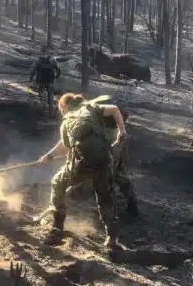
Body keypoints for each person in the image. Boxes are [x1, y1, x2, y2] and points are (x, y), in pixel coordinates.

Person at [37, 93, 127, 249]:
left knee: (57, 182)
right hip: (105, 160)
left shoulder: (66, 121)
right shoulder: (91, 108)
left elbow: (65, 148)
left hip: (82, 165)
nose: (61, 113)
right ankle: (112, 238)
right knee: (105, 196)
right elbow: (114, 109)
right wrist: (122, 130)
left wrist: (49, 156)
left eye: (61, 109)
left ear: (64, 107)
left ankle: (57, 229)